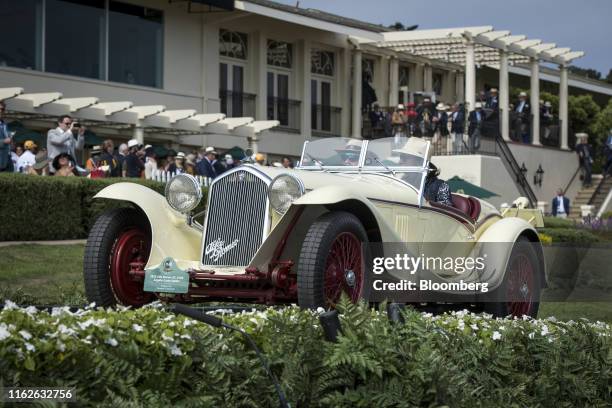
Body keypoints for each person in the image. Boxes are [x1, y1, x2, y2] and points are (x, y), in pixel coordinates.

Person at [0, 101, 13, 173]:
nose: (1, 111)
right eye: (0, 109)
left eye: (3, 109)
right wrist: (4, 141)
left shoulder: (4, 124)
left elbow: (8, 139)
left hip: (6, 161)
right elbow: (5, 141)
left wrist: (11, 142)